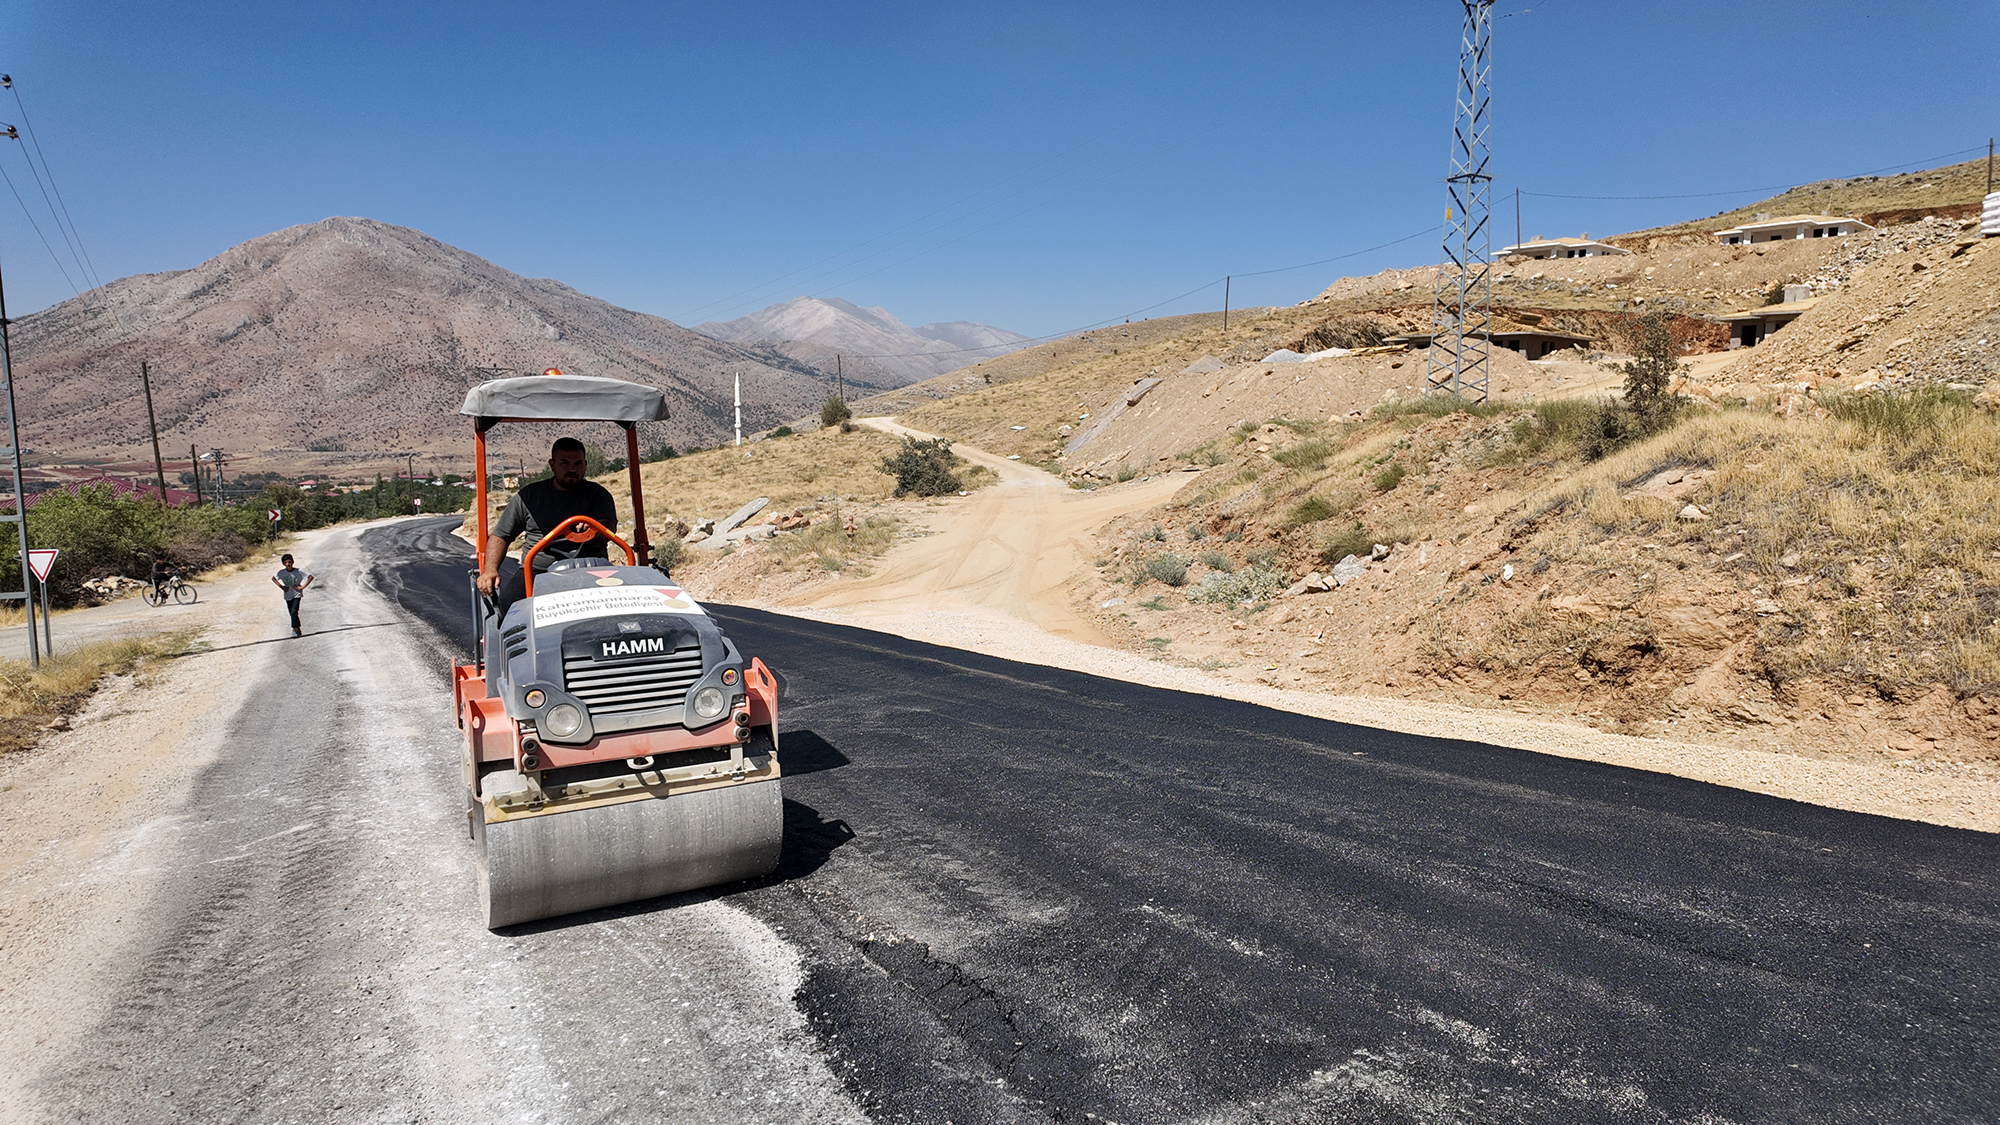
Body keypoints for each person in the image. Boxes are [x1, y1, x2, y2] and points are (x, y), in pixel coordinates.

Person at [476, 437, 618, 620]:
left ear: (585, 464)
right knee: (510, 601)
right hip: (538, 570)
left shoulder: (598, 494)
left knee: (623, 604)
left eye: (578, 463)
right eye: (564, 463)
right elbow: (501, 535)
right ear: (552, 464)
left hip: (591, 568)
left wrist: (594, 526)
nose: (572, 469)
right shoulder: (529, 496)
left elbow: (609, 528)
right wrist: (490, 570)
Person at [272, 553, 315, 636]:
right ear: (283, 564)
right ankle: (297, 628)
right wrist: (282, 587)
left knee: (294, 612)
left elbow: (310, 577)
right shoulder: (281, 572)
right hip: (288, 595)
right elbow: (274, 578)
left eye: (289, 562)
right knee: (291, 612)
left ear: (292, 562)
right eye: (286, 562)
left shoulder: (298, 571)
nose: (288, 564)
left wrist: (302, 587)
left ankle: (295, 629)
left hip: (296, 594)